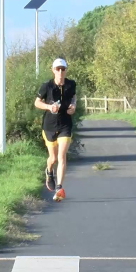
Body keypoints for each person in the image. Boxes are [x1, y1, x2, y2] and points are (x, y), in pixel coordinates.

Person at [34, 58, 76, 202]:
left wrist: (73, 107)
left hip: (65, 124)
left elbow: (73, 98)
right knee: (53, 158)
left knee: (62, 156)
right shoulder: (47, 86)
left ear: (65, 70)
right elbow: (37, 102)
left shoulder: (71, 84)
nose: (60, 72)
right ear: (53, 70)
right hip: (49, 126)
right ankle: (49, 171)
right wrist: (49, 107)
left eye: (62, 69)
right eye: (57, 69)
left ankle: (59, 187)